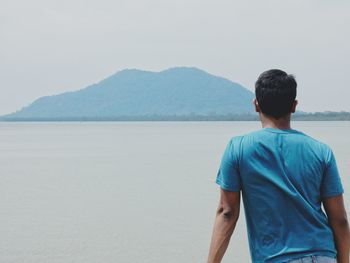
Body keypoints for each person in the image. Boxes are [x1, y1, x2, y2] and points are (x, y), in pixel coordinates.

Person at [207, 69, 350, 263]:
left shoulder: (238, 149)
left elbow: (227, 212)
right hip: (323, 255)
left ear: (256, 105)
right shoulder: (321, 151)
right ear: (294, 106)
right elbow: (339, 220)